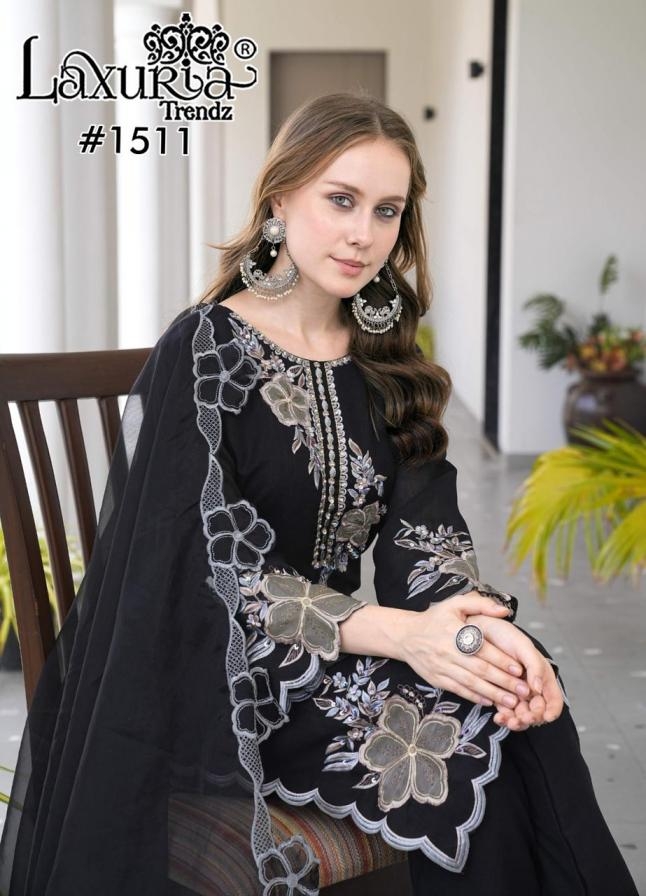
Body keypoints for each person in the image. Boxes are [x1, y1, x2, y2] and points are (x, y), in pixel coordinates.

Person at [0, 92, 638, 896]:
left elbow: (426, 535)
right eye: (341, 200)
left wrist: (477, 637)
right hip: (225, 683)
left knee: (513, 693)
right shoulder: (204, 353)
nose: (363, 233)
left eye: (386, 211)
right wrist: (404, 635)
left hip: (346, 663)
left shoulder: (384, 357)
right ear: (279, 200)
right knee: (457, 746)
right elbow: (221, 572)